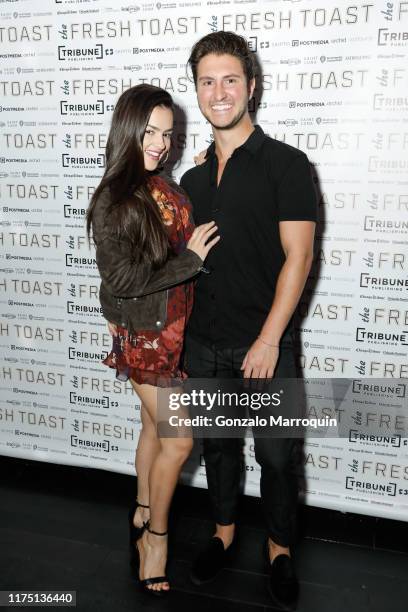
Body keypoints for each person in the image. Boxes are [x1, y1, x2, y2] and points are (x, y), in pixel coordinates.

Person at [180, 32, 317, 608]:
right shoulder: (189, 182)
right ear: (197, 90)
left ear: (251, 87)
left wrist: (268, 340)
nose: (219, 91)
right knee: (218, 448)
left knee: (279, 455)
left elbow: (300, 257)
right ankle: (224, 533)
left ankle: (280, 549)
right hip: (203, 342)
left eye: (230, 79)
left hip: (266, 345)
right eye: (207, 81)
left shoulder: (287, 164)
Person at [86, 84, 219, 597]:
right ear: (127, 129)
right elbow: (120, 279)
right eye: (150, 132)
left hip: (174, 327)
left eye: (167, 133)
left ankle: (143, 505)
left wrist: (201, 169)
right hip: (144, 337)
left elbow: (167, 227)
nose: (161, 143)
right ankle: (156, 542)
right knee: (179, 438)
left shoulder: (163, 183)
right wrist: (192, 261)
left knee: (150, 425)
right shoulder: (114, 198)